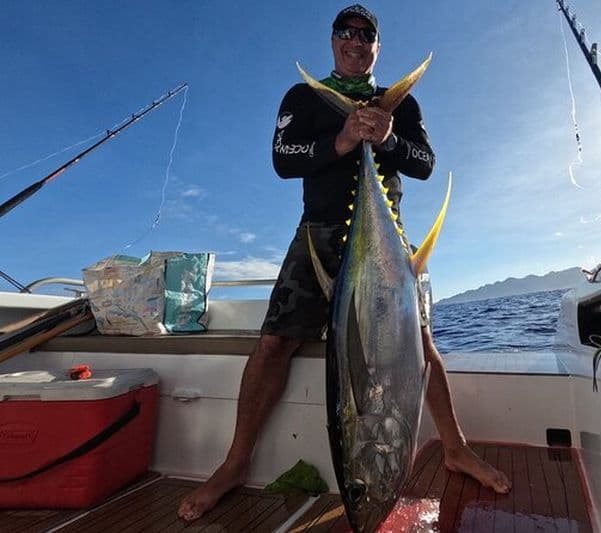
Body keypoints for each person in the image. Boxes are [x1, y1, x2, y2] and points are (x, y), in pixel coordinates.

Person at [177, 4, 510, 522]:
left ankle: (454, 446)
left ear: (376, 46)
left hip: (386, 242)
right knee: (272, 344)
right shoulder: (303, 97)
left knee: (420, 346)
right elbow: (284, 160)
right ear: (333, 41)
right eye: (346, 33)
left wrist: (387, 136)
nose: (356, 41)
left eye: (366, 34)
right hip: (318, 234)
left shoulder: (402, 103)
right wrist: (344, 138)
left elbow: (424, 164)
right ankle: (235, 462)